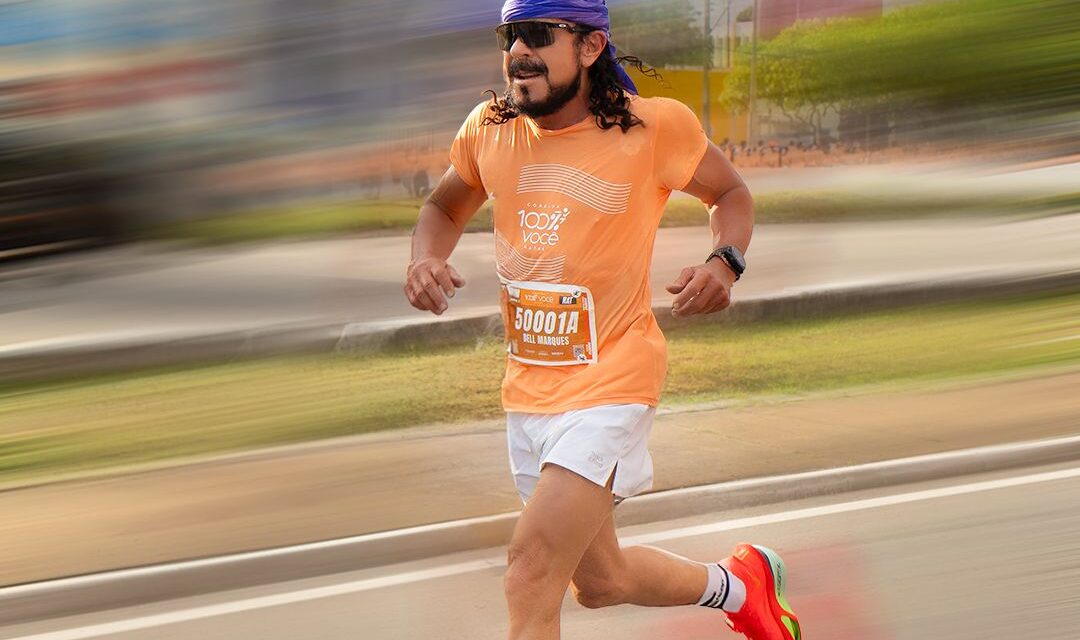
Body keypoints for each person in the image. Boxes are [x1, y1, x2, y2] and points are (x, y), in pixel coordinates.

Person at [404, 2, 801, 639]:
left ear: (591, 48)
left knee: (530, 568)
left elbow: (730, 193)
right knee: (601, 582)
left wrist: (724, 263)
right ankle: (739, 585)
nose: (519, 53)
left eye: (538, 36)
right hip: (529, 391)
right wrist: (426, 258)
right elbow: (444, 207)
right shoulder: (490, 129)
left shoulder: (653, 128)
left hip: (614, 378)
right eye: (510, 36)